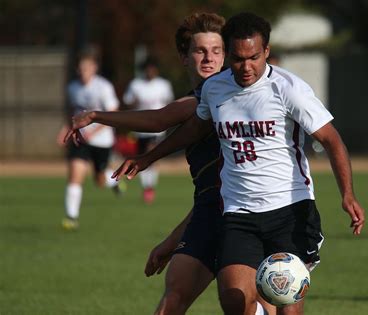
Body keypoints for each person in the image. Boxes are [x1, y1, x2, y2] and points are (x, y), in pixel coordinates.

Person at [112, 12, 365, 315]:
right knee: (234, 299)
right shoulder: (215, 89)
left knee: (287, 307)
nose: (246, 67)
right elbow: (194, 128)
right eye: (237, 58)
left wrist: (347, 194)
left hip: (289, 210)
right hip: (239, 213)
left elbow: (331, 140)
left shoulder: (289, 89)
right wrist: (147, 158)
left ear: (266, 51)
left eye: (254, 57)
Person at [64, 13, 273, 315]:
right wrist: (173, 240)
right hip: (208, 215)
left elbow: (159, 118)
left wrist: (96, 116)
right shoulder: (201, 98)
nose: (209, 58)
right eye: (200, 50)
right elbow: (209, 192)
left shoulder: (231, 93)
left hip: (250, 214)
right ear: (184, 56)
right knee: (172, 299)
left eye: (217, 51)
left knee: (252, 305)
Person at [56, 48, 122, 231]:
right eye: (80, 68)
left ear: (94, 68)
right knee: (75, 175)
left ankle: (114, 181)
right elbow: (71, 113)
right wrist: (65, 129)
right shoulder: (72, 88)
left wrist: (95, 131)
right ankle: (71, 217)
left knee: (99, 180)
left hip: (102, 141)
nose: (82, 71)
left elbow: (113, 112)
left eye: (86, 68)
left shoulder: (103, 87)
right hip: (81, 140)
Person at [123, 56, 174, 203]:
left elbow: (170, 103)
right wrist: (135, 103)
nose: (150, 71)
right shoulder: (136, 85)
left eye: (153, 68)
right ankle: (146, 186)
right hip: (140, 128)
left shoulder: (163, 85)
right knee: (141, 157)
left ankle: (150, 187)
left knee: (151, 154)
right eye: (148, 69)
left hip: (158, 128)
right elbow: (128, 103)